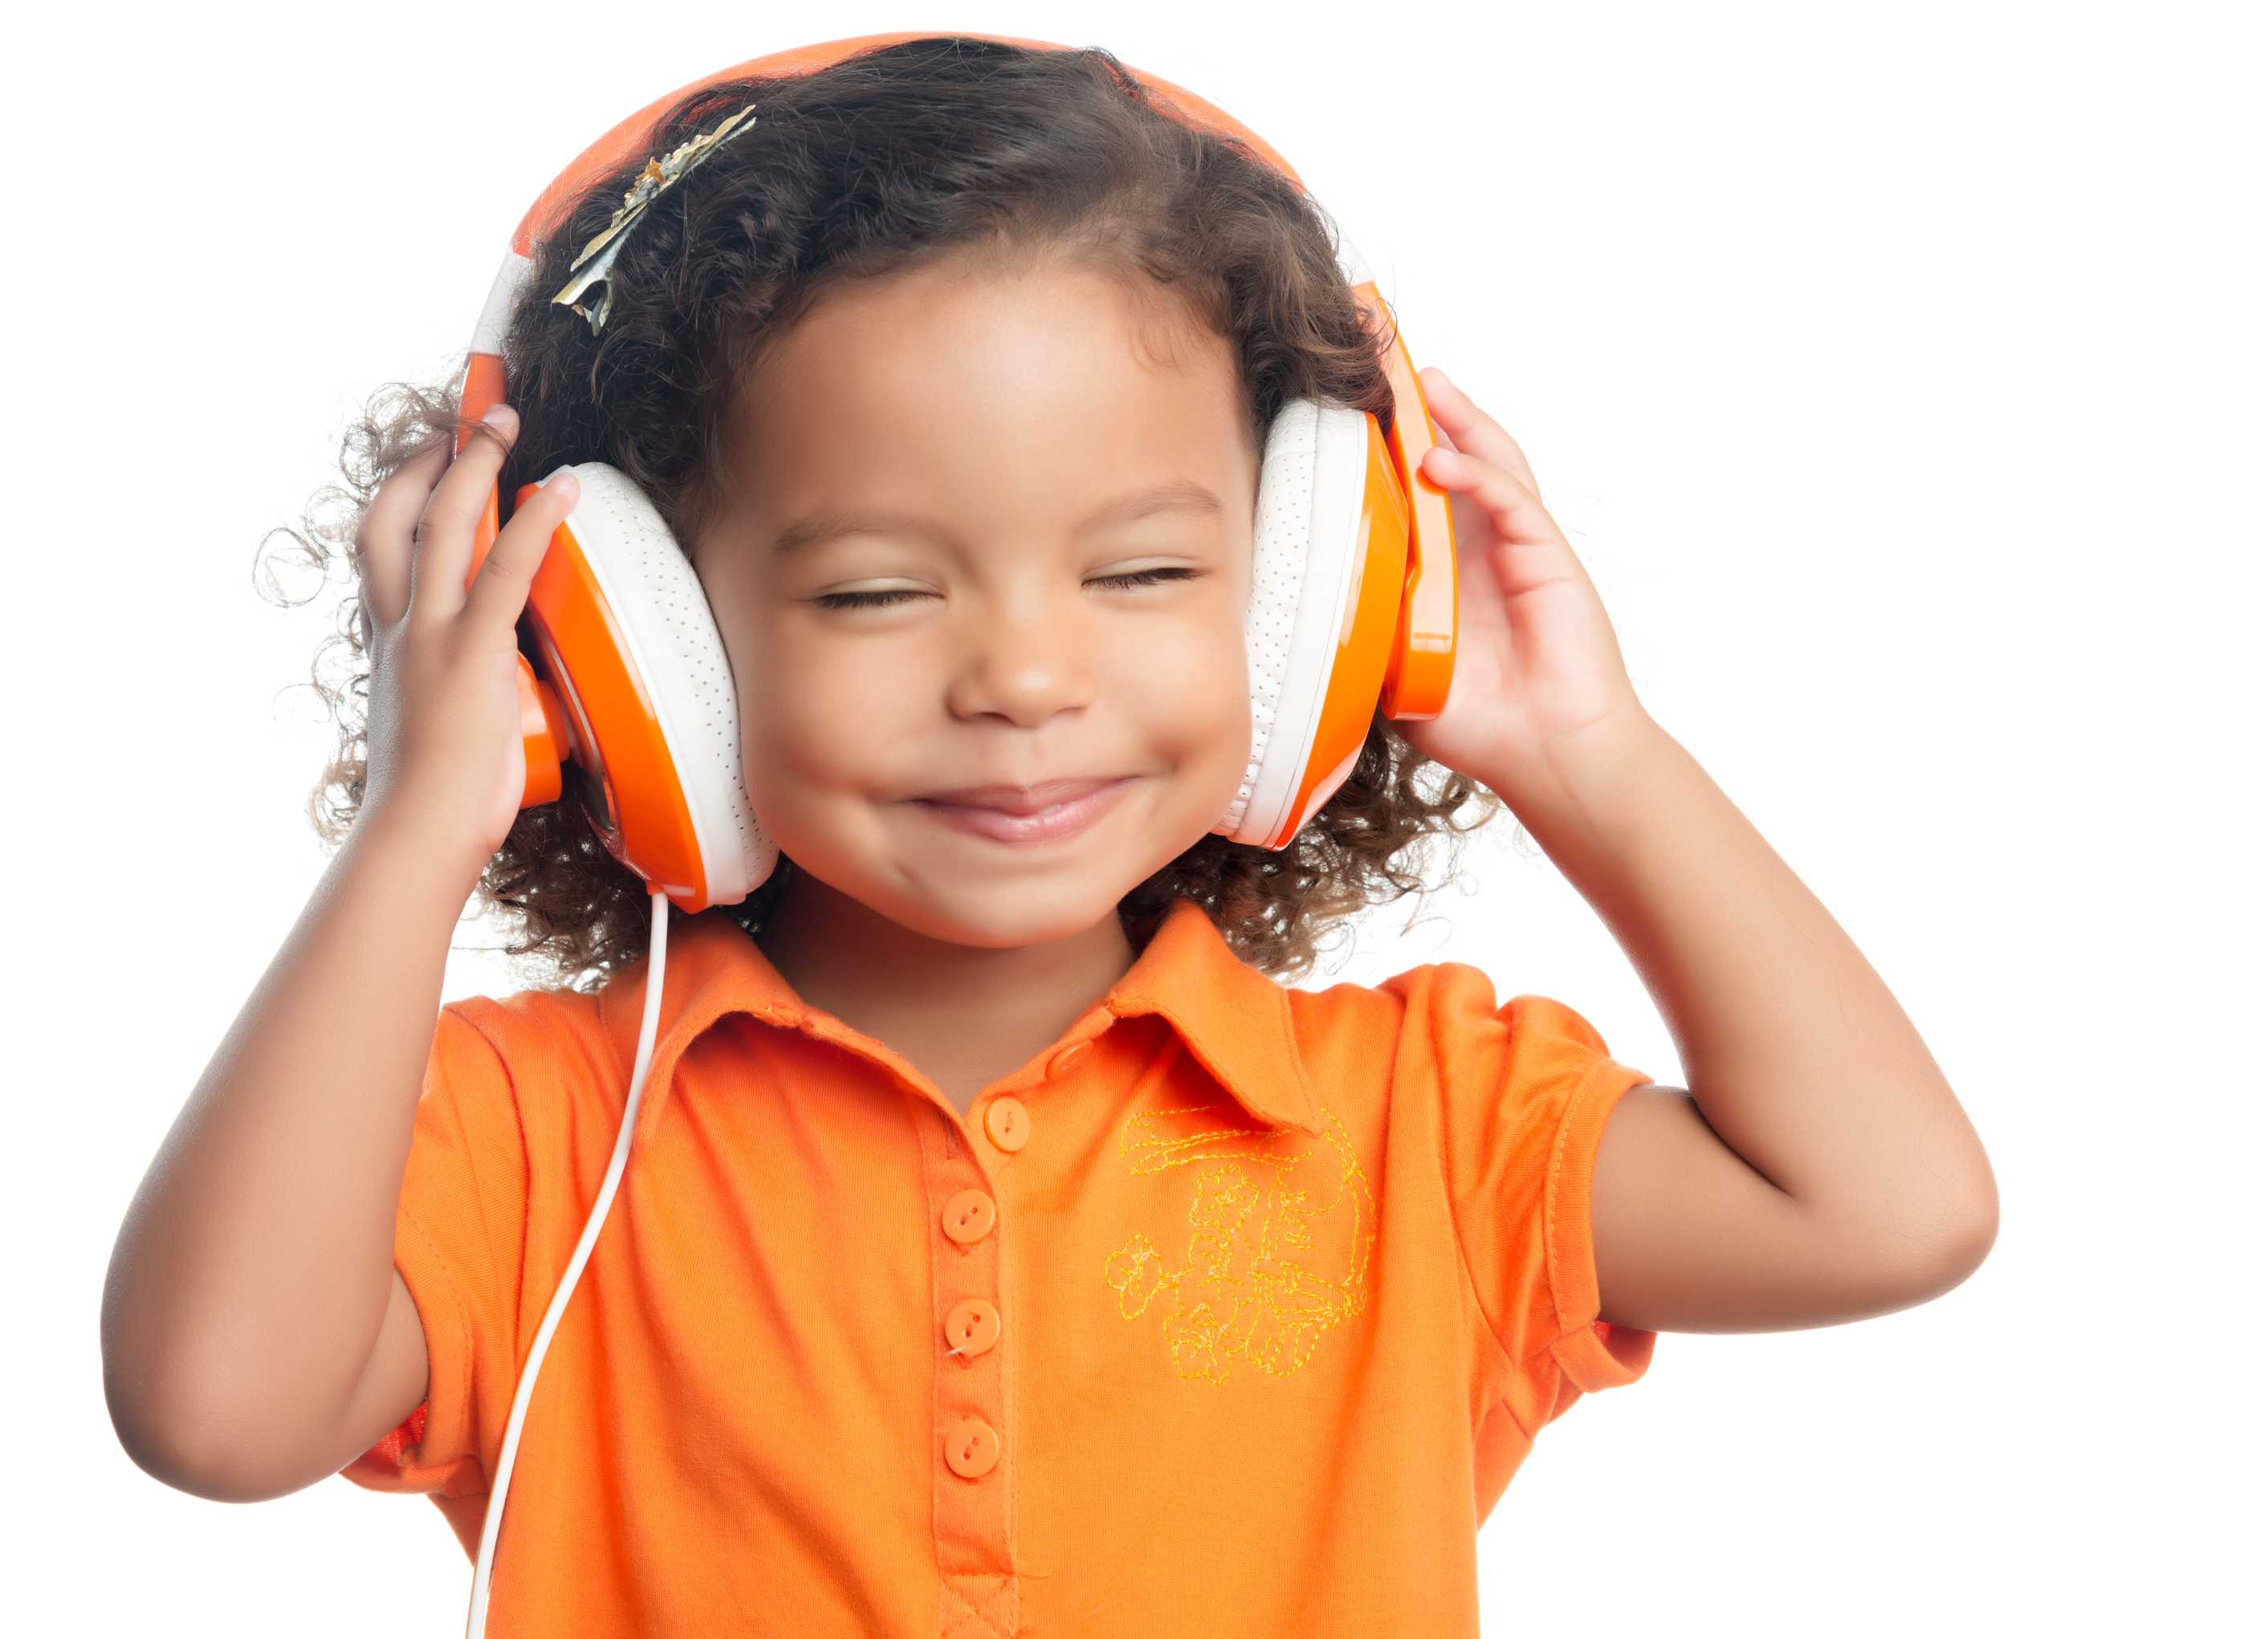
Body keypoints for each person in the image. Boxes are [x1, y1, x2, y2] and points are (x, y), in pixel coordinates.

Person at [100, 35, 2000, 1637]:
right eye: (870, 594)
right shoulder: (530, 1147)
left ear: (1314, 605)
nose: (1023, 675)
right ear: (628, 641)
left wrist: (1589, 749)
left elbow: (1891, 1209)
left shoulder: (1423, 1120)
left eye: (1146, 569)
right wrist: (418, 828)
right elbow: (214, 1410)